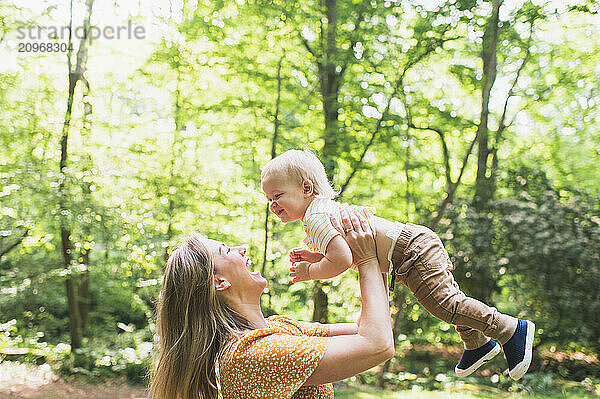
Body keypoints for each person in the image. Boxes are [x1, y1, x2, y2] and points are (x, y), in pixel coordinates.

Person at [260, 149, 535, 380]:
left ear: (306, 188)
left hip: (409, 251)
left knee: (444, 304)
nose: (272, 204)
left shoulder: (315, 218)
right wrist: (316, 258)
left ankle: (510, 329)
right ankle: (476, 343)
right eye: (269, 199)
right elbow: (344, 251)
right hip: (410, 245)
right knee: (450, 300)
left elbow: (342, 261)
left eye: (277, 196)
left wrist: (310, 272)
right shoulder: (322, 210)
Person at [149, 210, 394, 399]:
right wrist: (367, 259)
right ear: (220, 282)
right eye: (227, 250)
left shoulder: (276, 328)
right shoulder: (252, 354)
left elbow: (370, 328)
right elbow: (378, 345)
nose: (241, 248)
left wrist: (365, 259)